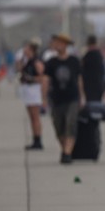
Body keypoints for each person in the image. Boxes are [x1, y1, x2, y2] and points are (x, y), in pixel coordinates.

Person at [43, 33, 84, 164]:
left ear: (65, 45)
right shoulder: (51, 63)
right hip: (56, 99)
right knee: (58, 126)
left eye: (60, 43)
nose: (57, 45)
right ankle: (65, 149)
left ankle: (67, 153)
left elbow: (79, 79)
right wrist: (43, 99)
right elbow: (45, 81)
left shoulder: (74, 61)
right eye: (56, 43)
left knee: (70, 124)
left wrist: (82, 97)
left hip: (72, 98)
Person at [19, 39, 46, 150]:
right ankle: (35, 138)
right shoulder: (27, 61)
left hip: (34, 90)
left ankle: (38, 139)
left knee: (35, 116)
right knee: (31, 116)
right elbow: (19, 68)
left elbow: (43, 77)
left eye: (27, 48)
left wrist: (31, 78)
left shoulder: (36, 62)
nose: (24, 50)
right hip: (28, 89)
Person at [81, 35, 105, 106]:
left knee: (89, 105)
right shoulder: (100, 56)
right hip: (99, 85)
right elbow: (103, 71)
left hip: (88, 86)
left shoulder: (86, 56)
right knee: (97, 105)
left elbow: (82, 72)